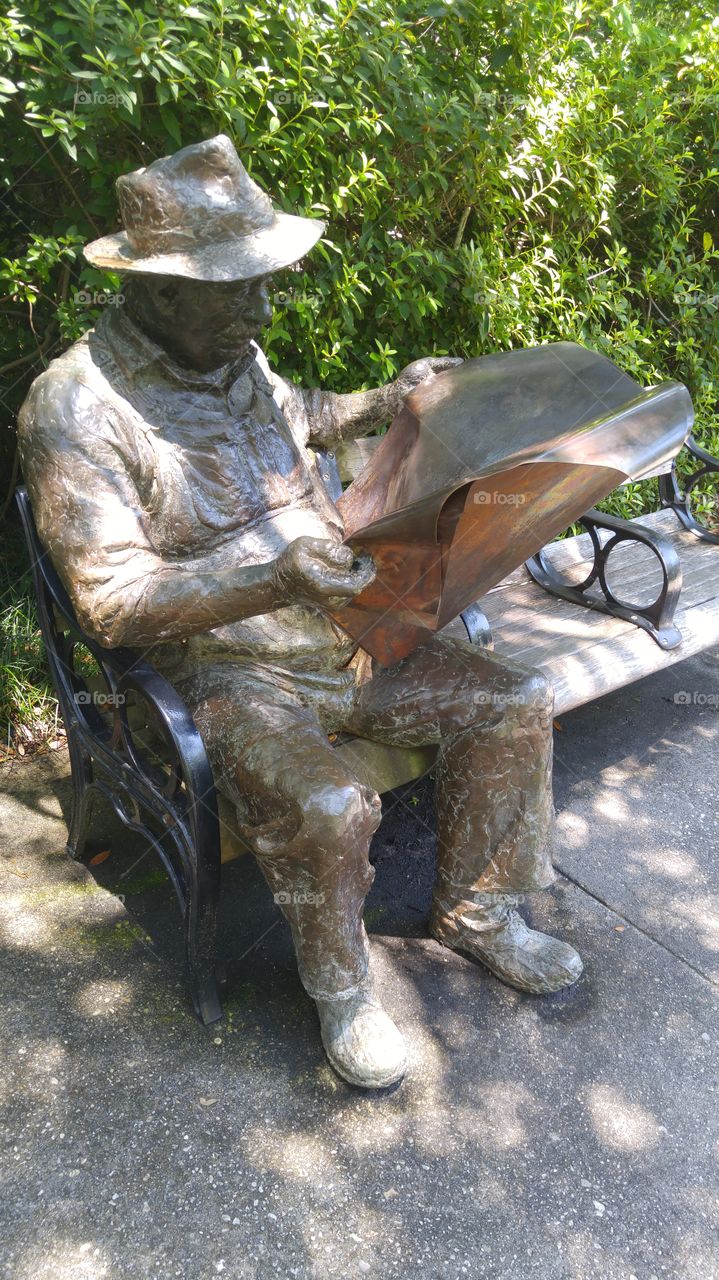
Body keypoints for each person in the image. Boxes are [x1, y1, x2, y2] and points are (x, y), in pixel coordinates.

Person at [18, 135, 582, 1090]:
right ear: (160, 293)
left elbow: (295, 413)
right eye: (240, 288)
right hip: (227, 670)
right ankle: (344, 990)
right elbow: (111, 606)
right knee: (326, 804)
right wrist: (275, 579)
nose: (263, 307)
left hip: (349, 622)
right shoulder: (75, 407)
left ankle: (481, 913)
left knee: (513, 696)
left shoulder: (224, 347)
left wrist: (377, 401)